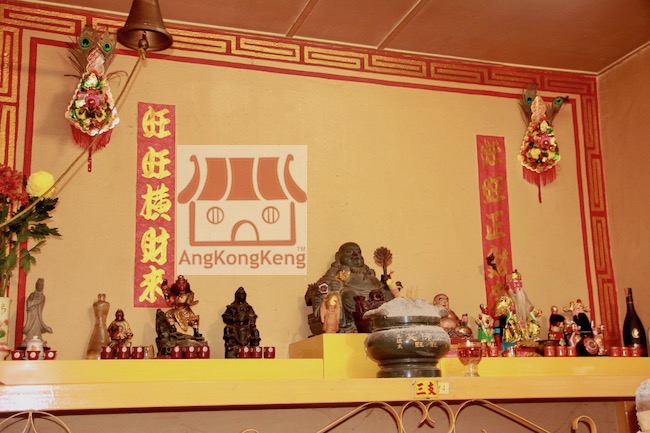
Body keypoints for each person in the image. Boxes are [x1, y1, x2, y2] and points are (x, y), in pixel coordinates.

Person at [315, 242, 393, 332]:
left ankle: (386, 322)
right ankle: (354, 324)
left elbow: (380, 286)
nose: (355, 255)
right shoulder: (335, 270)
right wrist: (332, 285)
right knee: (349, 295)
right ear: (338, 256)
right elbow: (323, 285)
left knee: (388, 295)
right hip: (355, 298)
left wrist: (387, 285)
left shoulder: (369, 271)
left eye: (358, 252)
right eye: (349, 252)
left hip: (375, 297)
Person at [21, 278, 52, 347]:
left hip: (38, 314)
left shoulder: (43, 297)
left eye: (41, 286)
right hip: (32, 314)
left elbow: (41, 306)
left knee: (37, 326)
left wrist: (35, 304)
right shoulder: (32, 295)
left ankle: (38, 337)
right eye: (38, 285)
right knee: (31, 325)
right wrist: (31, 301)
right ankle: (29, 338)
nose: (39, 287)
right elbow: (29, 302)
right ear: (36, 286)